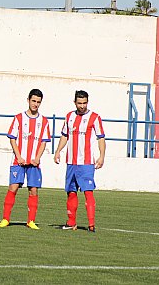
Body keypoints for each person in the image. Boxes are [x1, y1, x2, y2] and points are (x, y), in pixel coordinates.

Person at [0, 89, 50, 230]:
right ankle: (5, 219)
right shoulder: (19, 118)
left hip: (33, 162)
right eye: (33, 101)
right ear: (28, 100)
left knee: (33, 190)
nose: (36, 104)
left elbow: (44, 142)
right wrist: (19, 156)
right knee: (13, 188)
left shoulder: (44, 121)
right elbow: (12, 139)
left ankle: (31, 221)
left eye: (38, 102)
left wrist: (37, 158)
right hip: (18, 161)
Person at [53, 90, 106, 232]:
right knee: (71, 192)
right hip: (71, 162)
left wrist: (102, 156)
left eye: (84, 103)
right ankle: (71, 223)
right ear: (75, 102)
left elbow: (101, 138)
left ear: (87, 102)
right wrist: (58, 151)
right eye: (79, 103)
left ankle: (91, 224)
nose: (82, 106)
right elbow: (65, 136)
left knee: (88, 192)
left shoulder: (94, 117)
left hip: (87, 163)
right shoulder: (69, 116)